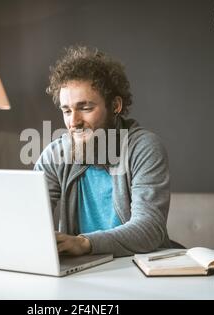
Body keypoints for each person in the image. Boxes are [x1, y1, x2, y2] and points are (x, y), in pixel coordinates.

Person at [34, 46, 171, 257]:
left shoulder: (144, 147)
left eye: (86, 108)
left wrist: (84, 243)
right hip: (81, 276)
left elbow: (149, 229)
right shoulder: (55, 154)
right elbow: (27, 220)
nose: (73, 121)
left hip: (139, 271)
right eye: (67, 110)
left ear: (115, 105)